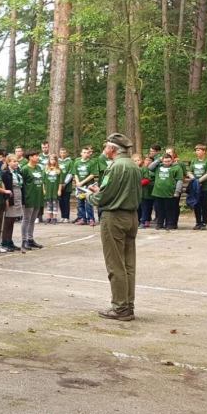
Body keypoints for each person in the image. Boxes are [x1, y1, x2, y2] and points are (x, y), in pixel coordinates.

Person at [87, 133, 142, 321]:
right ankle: (128, 304)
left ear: (112, 148)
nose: (104, 149)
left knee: (115, 264)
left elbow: (104, 196)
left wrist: (90, 196)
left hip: (115, 217)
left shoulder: (115, 167)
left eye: (106, 146)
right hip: (131, 216)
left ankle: (120, 308)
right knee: (128, 264)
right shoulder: (133, 166)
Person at [149, 152, 183, 230]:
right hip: (158, 192)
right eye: (165, 161)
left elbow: (179, 180)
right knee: (159, 209)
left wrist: (177, 191)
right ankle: (160, 224)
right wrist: (158, 160)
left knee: (170, 209)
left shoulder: (177, 167)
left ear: (172, 160)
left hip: (170, 192)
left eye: (168, 161)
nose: (167, 163)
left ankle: (170, 224)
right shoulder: (158, 166)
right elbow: (150, 168)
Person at [20, 150, 44, 250]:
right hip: (29, 197)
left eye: (38, 155)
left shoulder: (38, 168)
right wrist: (23, 199)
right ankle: (24, 240)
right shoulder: (25, 169)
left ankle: (30, 239)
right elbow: (21, 184)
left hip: (38, 197)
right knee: (26, 219)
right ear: (30, 157)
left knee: (33, 219)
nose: (38, 157)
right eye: (36, 156)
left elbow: (41, 181)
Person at [186, 144, 207, 230]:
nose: (197, 152)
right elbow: (190, 172)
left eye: (198, 150)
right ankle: (198, 222)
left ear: (204, 151)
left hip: (206, 187)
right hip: (196, 187)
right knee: (196, 204)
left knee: (204, 204)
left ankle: (204, 223)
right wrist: (194, 180)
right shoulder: (194, 161)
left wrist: (198, 181)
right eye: (196, 150)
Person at [0, 154, 23, 252]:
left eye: (17, 161)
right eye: (14, 161)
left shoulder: (17, 172)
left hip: (18, 195)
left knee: (13, 220)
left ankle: (10, 240)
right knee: (8, 220)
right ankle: (4, 242)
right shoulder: (5, 173)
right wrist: (6, 199)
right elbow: (4, 186)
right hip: (11, 197)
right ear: (8, 162)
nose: (16, 163)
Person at [72, 148, 96, 225]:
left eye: (87, 153)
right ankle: (82, 218)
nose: (86, 154)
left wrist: (82, 182)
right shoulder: (77, 163)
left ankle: (91, 219)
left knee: (89, 203)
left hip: (88, 186)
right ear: (81, 153)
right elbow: (75, 174)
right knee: (80, 203)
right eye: (84, 152)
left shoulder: (92, 163)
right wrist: (78, 183)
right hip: (80, 187)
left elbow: (92, 175)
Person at [44, 155, 62, 225]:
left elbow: (60, 181)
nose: (53, 161)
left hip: (55, 190)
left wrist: (59, 190)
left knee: (55, 204)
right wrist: (44, 189)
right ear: (49, 160)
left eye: (54, 159)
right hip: (48, 190)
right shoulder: (46, 169)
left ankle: (54, 218)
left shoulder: (58, 170)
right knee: (49, 204)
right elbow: (43, 181)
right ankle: (49, 218)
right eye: (51, 159)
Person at [58, 148, 73, 222]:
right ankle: (62, 216)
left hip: (67, 185)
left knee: (66, 201)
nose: (62, 154)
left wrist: (65, 183)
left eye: (64, 153)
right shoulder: (57, 161)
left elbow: (70, 173)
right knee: (60, 201)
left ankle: (66, 217)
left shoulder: (70, 162)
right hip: (59, 185)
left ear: (67, 153)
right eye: (61, 153)